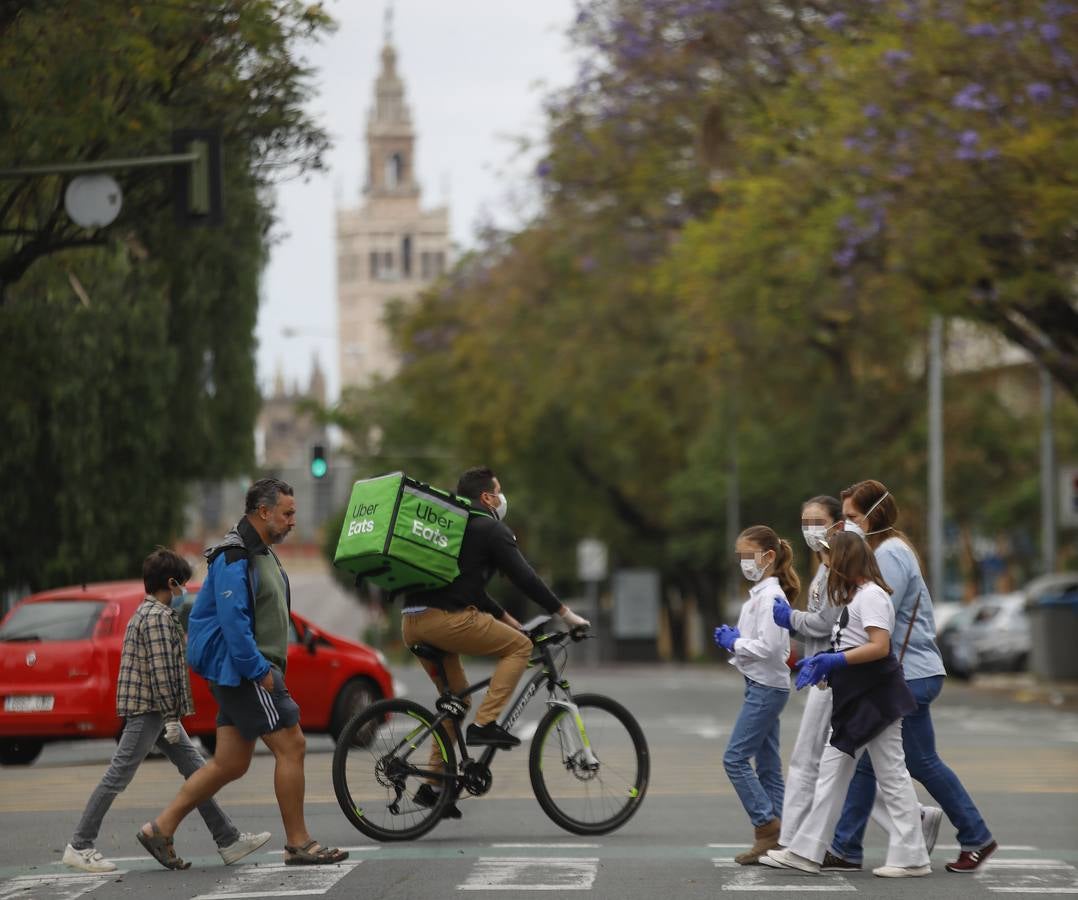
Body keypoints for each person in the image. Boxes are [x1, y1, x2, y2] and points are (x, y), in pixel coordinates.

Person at [137, 479, 347, 869]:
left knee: (231, 763)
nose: (293, 522)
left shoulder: (260, 551)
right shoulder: (235, 554)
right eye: (287, 513)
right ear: (263, 512)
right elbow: (234, 622)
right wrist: (259, 671)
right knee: (293, 745)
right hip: (245, 672)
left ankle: (159, 829)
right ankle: (298, 843)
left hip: (243, 672)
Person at [825, 479, 996, 874]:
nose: (847, 525)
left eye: (852, 517)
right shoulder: (883, 550)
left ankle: (975, 836)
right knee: (872, 760)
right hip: (905, 672)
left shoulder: (889, 555)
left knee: (920, 762)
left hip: (909, 673)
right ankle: (846, 847)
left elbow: (878, 613)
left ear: (875, 515)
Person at [63, 548, 270, 873]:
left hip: (155, 713)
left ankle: (227, 838)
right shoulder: (158, 618)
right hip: (150, 712)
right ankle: (80, 844)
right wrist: (172, 718)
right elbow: (162, 673)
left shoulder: (146, 613)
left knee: (196, 772)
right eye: (182, 585)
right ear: (171, 583)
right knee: (117, 776)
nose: (183, 591)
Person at [400, 467, 590, 814]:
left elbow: (469, 589)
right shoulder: (491, 527)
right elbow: (525, 578)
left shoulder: (458, 527)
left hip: (413, 622)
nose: (503, 498)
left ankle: (434, 786)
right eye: (499, 491)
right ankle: (486, 725)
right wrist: (566, 614)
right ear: (487, 497)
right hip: (443, 621)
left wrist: (508, 620)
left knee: (456, 700)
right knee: (520, 647)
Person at [762, 531, 930, 878]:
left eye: (830, 561)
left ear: (845, 562)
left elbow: (879, 647)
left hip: (874, 698)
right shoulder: (856, 598)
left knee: (884, 774)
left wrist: (835, 662)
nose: (826, 567)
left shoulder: (871, 596)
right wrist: (821, 663)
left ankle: (910, 856)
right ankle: (808, 851)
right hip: (861, 698)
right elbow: (850, 642)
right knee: (839, 774)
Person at [713, 525, 797, 865]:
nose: (743, 562)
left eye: (748, 556)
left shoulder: (771, 597)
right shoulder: (759, 596)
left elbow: (772, 648)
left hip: (766, 688)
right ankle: (779, 839)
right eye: (740, 557)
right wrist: (736, 642)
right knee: (767, 766)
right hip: (761, 684)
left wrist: (735, 642)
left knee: (734, 759)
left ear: (768, 557)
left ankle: (766, 825)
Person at [770, 496, 844, 850]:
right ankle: (915, 818)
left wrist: (790, 619)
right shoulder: (823, 565)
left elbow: (825, 622)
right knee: (844, 764)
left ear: (837, 523)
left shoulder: (837, 567)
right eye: (805, 522)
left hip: (831, 673)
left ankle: (791, 841)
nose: (810, 529)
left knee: (806, 759)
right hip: (822, 670)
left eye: (818, 521)